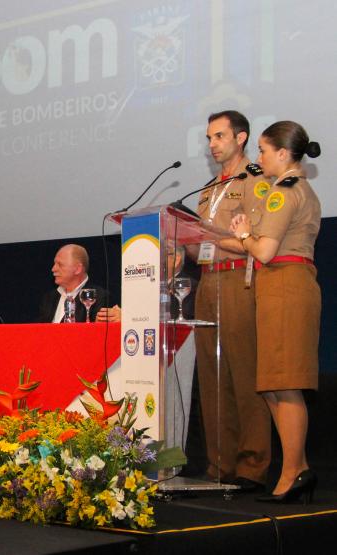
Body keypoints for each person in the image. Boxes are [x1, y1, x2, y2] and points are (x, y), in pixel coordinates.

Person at [230, 121, 321, 503]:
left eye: (264, 151)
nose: (260, 157)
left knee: (284, 385)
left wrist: (243, 234)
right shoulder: (284, 190)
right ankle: (296, 470)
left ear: (283, 154)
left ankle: (292, 472)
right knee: (272, 385)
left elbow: (265, 250)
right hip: (279, 285)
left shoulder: (285, 192)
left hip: (286, 283)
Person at [190, 110, 271, 491]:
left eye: (219, 136)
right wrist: (188, 241)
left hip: (240, 280)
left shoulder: (257, 182)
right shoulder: (207, 190)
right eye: (209, 138)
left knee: (244, 373)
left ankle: (252, 466)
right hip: (207, 283)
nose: (212, 144)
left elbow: (251, 239)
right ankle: (219, 465)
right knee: (212, 377)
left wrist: (213, 239)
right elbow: (202, 244)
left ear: (240, 138)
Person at [36, 244, 108, 323]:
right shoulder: (49, 298)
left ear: (78, 269)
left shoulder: (98, 296)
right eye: (54, 264)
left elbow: (98, 332)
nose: (53, 269)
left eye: (60, 264)